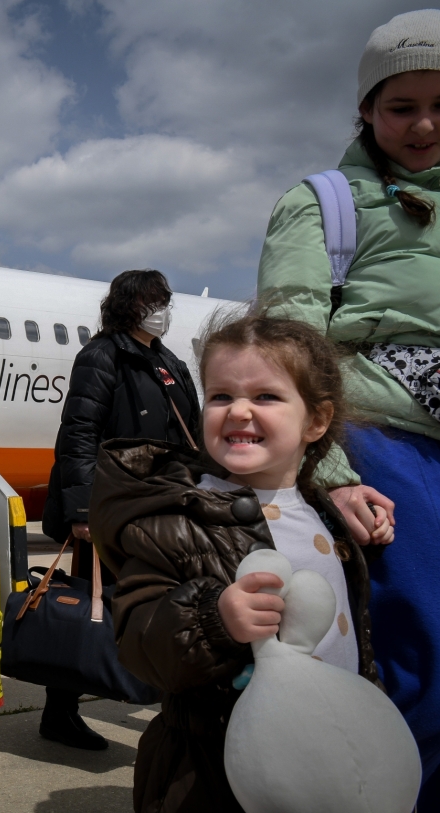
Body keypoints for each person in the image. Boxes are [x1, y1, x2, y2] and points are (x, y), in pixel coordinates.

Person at [90, 311, 388, 811]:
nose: (239, 411)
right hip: (214, 771)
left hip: (326, 759)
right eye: (221, 396)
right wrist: (214, 620)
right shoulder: (178, 518)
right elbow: (140, 644)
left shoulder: (325, 514)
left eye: (266, 396)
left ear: (316, 420)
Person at [256, 10, 440, 805]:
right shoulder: (323, 203)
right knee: (421, 652)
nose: (424, 124)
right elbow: (294, 350)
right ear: (366, 111)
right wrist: (327, 470)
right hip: (384, 441)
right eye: (401, 106)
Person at [38, 269, 197, 750]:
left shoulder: (167, 361)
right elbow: (78, 435)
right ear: (128, 304)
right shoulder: (102, 356)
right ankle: (59, 712)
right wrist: (82, 510)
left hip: (162, 505)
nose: (162, 309)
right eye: (153, 300)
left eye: (165, 300)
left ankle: (170, 707)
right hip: (113, 508)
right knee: (90, 606)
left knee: (165, 606)